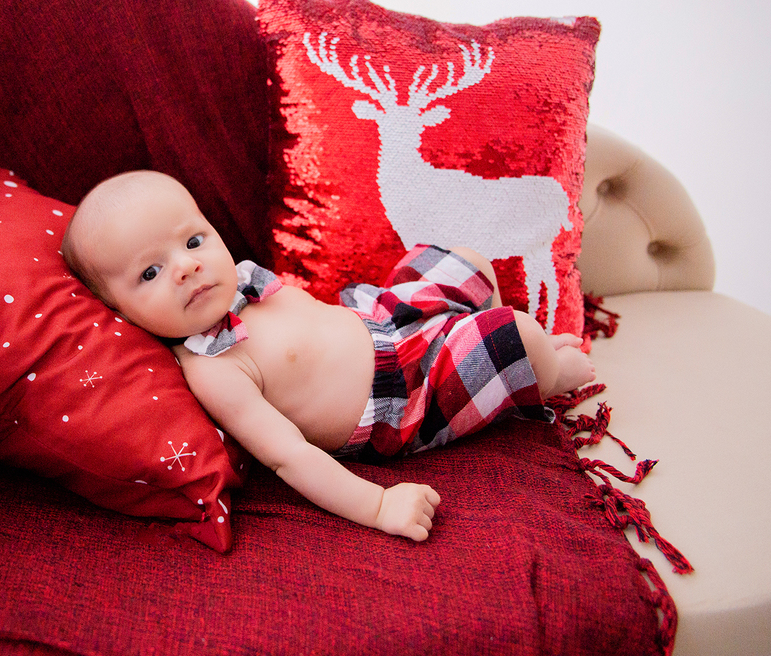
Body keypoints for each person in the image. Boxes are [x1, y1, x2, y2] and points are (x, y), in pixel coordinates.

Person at [61, 170, 595, 542]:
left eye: (194, 241)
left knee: (460, 260)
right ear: (121, 314)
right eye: (149, 273)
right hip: (404, 398)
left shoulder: (244, 281)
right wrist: (378, 506)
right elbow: (288, 454)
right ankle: (538, 373)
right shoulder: (213, 368)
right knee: (514, 335)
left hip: (384, 320)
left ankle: (485, 355)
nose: (185, 267)